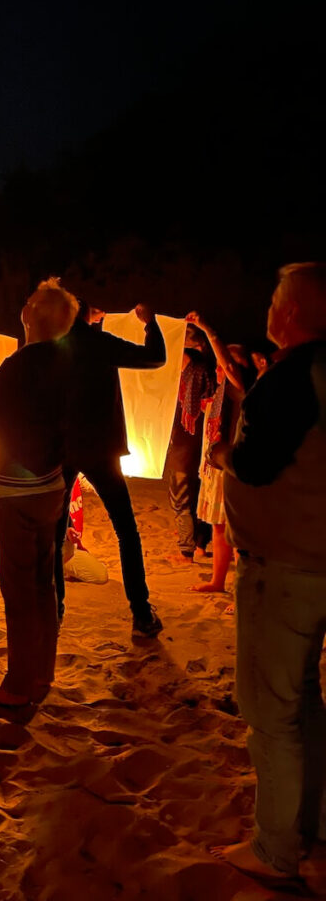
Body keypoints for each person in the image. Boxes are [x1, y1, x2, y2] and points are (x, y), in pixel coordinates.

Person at [209, 263, 326, 881]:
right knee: (305, 701)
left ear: (295, 311)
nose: (269, 307)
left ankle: (276, 849)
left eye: (276, 298)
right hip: (315, 561)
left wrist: (225, 453)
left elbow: (256, 465)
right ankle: (314, 824)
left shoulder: (290, 378)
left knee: (270, 711)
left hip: (283, 566)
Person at [0, 277, 78, 707]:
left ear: (32, 316)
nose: (24, 303)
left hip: (19, 489)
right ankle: (42, 672)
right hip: (53, 485)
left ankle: (19, 684)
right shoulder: (67, 362)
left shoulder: (18, 365)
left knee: (19, 587)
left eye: (30, 301)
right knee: (43, 581)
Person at [56, 302, 166, 636]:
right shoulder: (99, 343)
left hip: (63, 447)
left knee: (53, 530)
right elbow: (155, 357)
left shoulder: (52, 346)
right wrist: (151, 322)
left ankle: (54, 609)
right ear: (85, 312)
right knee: (126, 531)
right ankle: (141, 614)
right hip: (101, 447)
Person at [184, 312, 254, 596]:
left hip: (233, 470)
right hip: (215, 469)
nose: (221, 367)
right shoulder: (222, 394)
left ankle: (242, 592)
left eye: (228, 362)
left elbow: (226, 361)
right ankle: (218, 582)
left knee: (237, 535)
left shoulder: (243, 390)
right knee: (218, 526)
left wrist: (206, 328)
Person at [164, 324, 215, 561]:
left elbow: (195, 408)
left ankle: (186, 549)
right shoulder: (197, 369)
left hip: (188, 438)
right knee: (196, 493)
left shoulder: (195, 370)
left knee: (181, 492)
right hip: (196, 438)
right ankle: (200, 544)